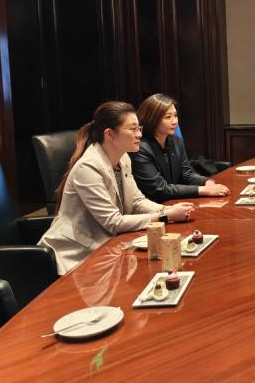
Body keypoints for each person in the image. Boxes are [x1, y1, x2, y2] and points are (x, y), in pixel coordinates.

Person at [39, 101, 194, 275]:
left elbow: (136, 201)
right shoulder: (88, 167)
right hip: (75, 255)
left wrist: (166, 209)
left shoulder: (123, 158)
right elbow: (113, 222)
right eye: (133, 129)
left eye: (139, 128)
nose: (139, 134)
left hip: (106, 247)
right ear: (109, 134)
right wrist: (165, 216)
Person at [130, 94, 229, 202]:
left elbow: (186, 175)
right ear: (152, 119)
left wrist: (206, 182)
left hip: (174, 201)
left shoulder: (175, 141)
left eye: (175, 115)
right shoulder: (140, 148)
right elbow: (159, 190)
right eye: (168, 117)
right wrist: (203, 190)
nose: (174, 121)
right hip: (154, 206)